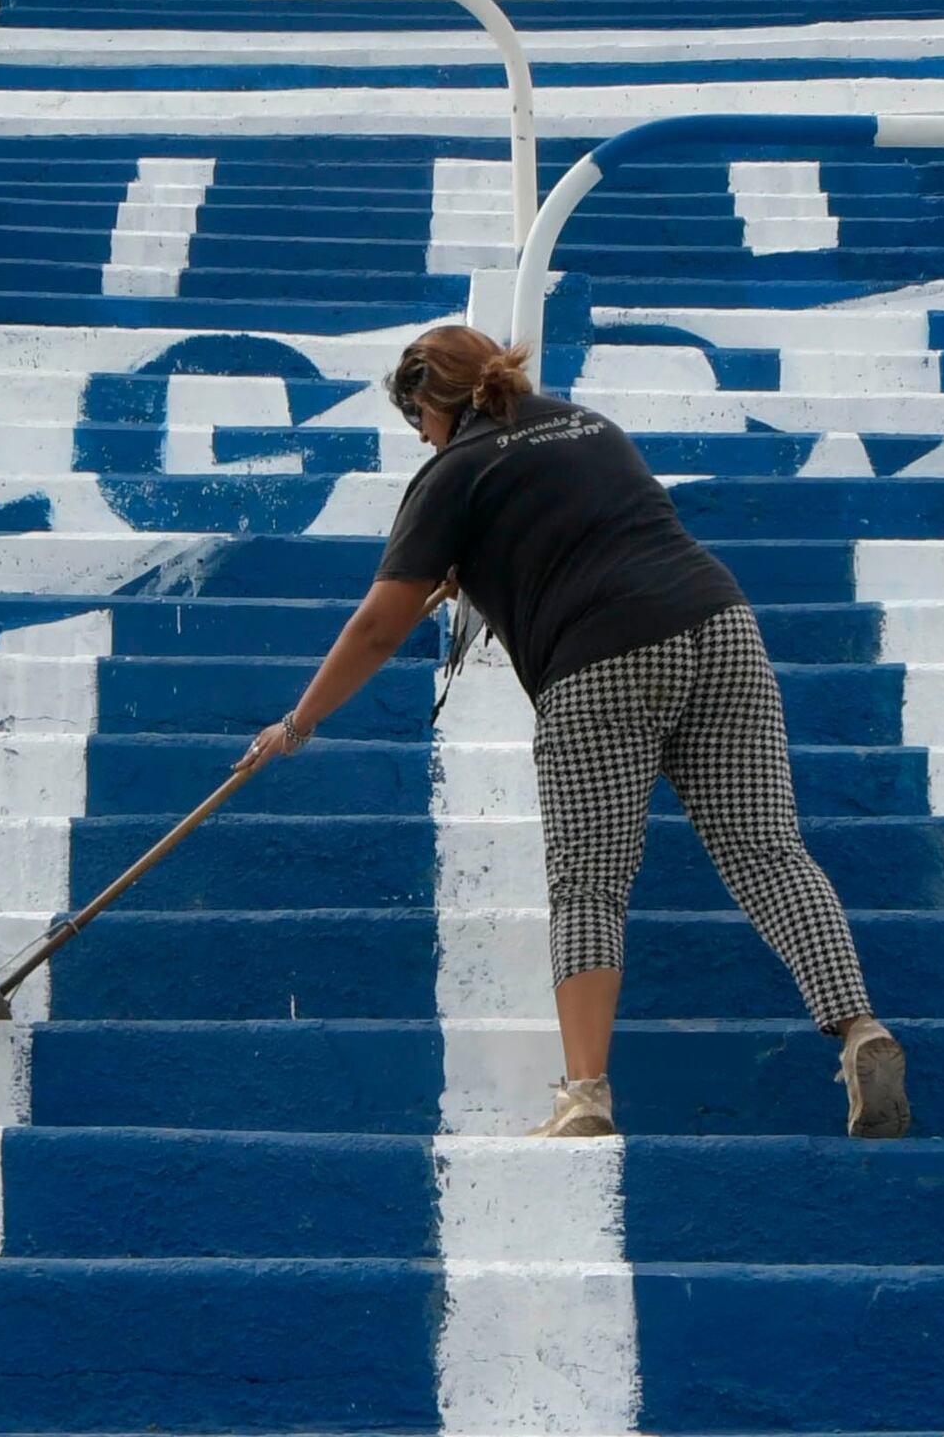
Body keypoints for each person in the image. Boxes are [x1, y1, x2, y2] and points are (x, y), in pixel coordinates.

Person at [249, 322, 909, 1142]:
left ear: (432, 402)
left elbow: (380, 627)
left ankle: (586, 1094)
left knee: (590, 883)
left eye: (414, 418)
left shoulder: (451, 471)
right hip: (721, 623)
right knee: (768, 849)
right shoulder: (591, 426)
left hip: (602, 659)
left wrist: (298, 722)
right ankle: (859, 1029)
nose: (417, 435)